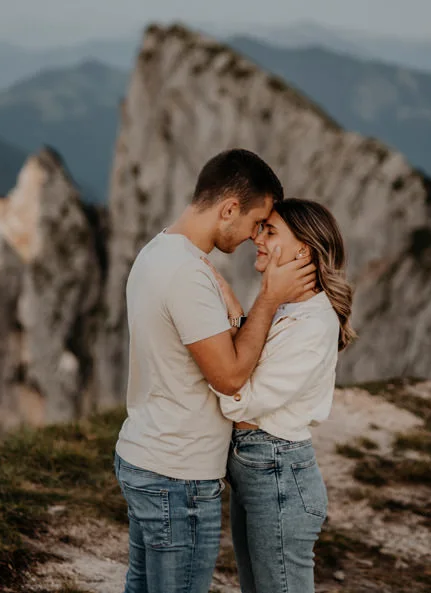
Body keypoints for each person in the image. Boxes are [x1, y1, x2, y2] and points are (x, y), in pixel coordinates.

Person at [114, 149, 319, 593]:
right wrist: (269, 298)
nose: (253, 237)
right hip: (177, 473)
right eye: (254, 222)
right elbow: (228, 377)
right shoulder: (188, 274)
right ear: (228, 209)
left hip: (147, 455)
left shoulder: (159, 251)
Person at [205, 198, 355, 593]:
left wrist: (227, 358)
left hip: (278, 474)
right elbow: (242, 369)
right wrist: (245, 312)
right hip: (257, 469)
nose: (258, 238)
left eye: (270, 231)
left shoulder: (313, 323)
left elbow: (237, 395)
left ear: (302, 249)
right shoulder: (287, 308)